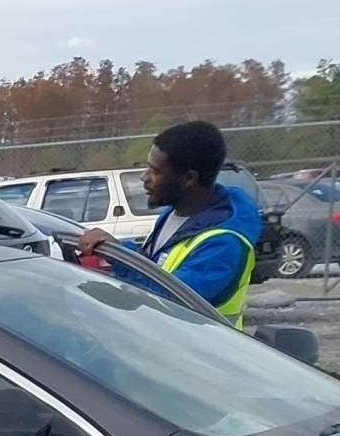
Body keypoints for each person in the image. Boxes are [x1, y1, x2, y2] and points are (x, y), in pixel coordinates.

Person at [79, 120, 262, 325]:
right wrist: (117, 251)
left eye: (156, 171)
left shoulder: (225, 244)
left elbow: (171, 298)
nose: (144, 177)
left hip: (199, 354)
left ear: (188, 179)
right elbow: (154, 265)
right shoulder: (173, 214)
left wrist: (120, 256)